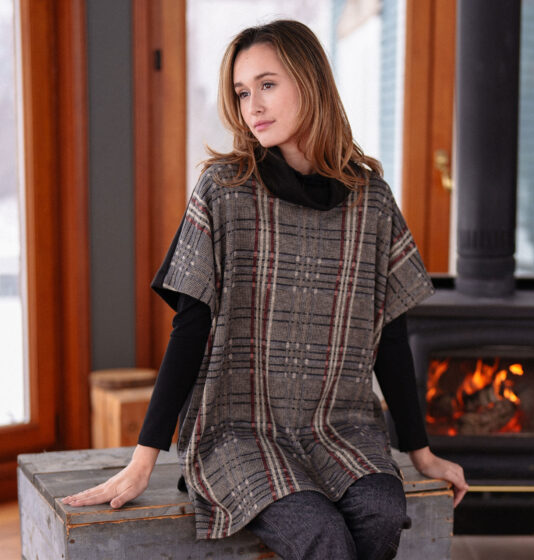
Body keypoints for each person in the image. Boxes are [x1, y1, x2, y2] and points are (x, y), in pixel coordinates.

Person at [63, 19, 468, 560]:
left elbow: (390, 336)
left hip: (340, 426)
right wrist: (144, 460)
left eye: (268, 85)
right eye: (242, 92)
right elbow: (190, 328)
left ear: (310, 82)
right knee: (322, 535)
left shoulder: (371, 199)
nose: (252, 105)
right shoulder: (223, 190)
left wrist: (421, 453)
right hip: (238, 431)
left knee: (382, 513)